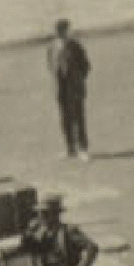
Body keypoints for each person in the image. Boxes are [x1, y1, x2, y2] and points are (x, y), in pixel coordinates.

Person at [47, 16, 91, 159]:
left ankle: (83, 148)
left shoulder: (75, 46)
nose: (60, 33)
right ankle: (70, 148)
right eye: (58, 31)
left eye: (63, 30)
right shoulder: (52, 47)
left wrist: (77, 79)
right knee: (65, 119)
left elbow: (86, 65)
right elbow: (51, 65)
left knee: (78, 117)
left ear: (67, 30)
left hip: (75, 87)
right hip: (61, 88)